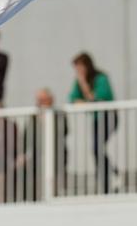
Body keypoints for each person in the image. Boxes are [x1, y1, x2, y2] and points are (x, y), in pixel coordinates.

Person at [69, 52, 118, 194]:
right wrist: (83, 93)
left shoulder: (101, 78)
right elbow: (72, 99)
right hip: (97, 119)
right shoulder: (79, 81)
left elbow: (99, 98)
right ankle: (106, 183)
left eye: (80, 67)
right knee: (96, 150)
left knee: (97, 148)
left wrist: (84, 86)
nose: (78, 71)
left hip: (108, 117)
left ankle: (113, 174)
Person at [18, 88, 68, 201]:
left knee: (55, 185)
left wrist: (48, 121)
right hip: (37, 156)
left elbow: (64, 131)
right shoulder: (33, 116)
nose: (41, 103)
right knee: (35, 182)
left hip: (57, 155)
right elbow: (27, 136)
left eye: (44, 100)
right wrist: (23, 154)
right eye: (39, 100)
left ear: (51, 100)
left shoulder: (59, 114)